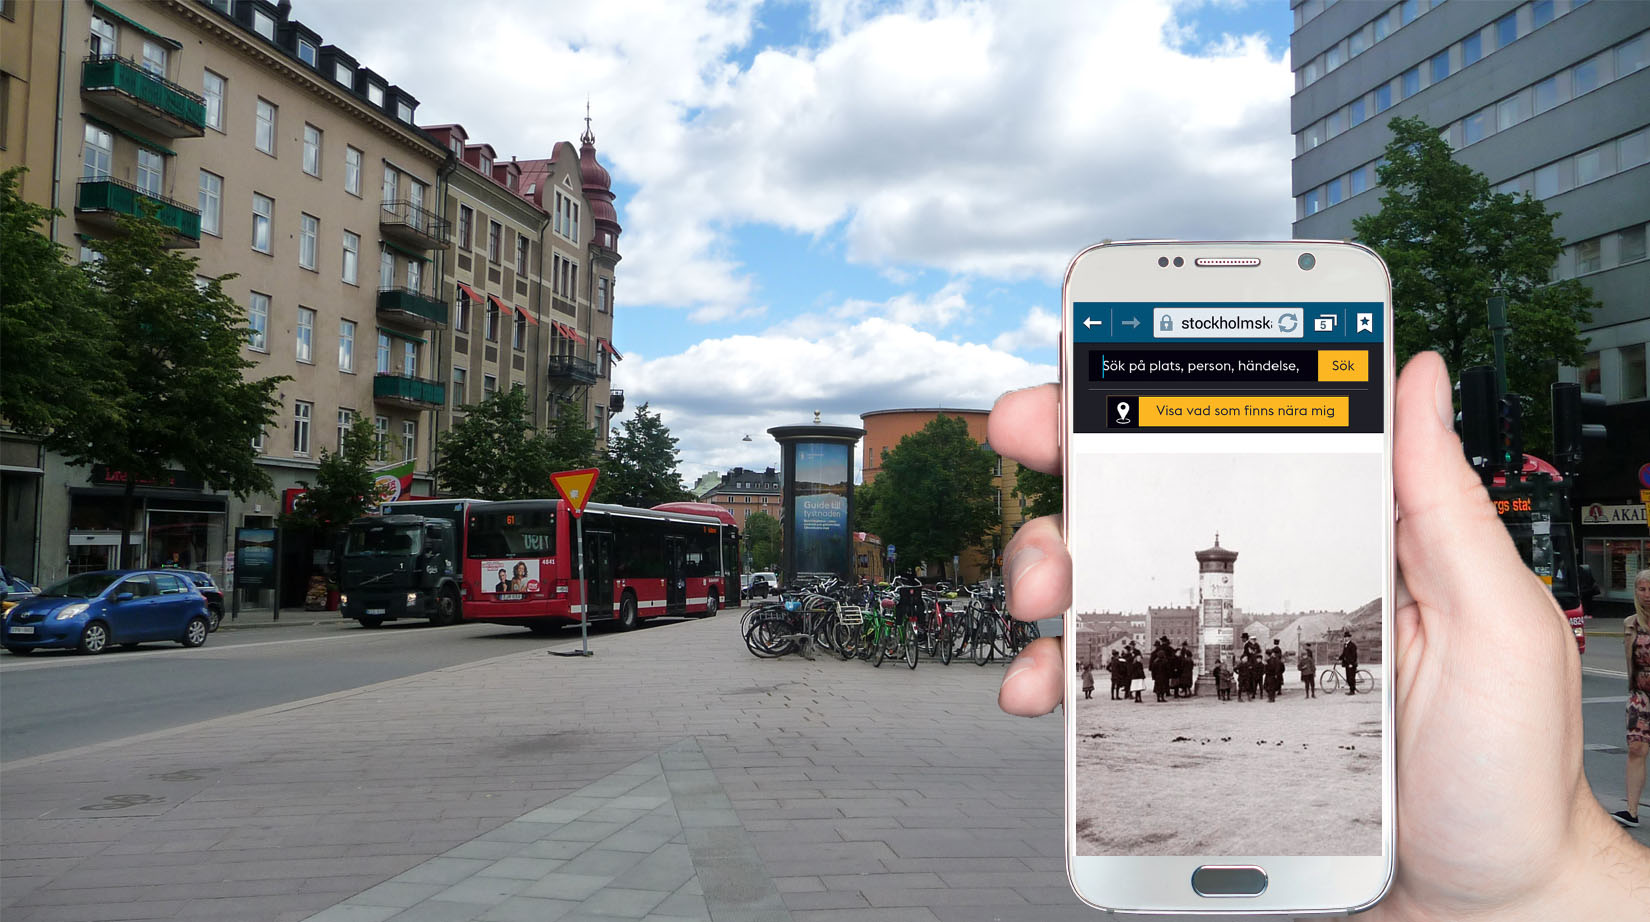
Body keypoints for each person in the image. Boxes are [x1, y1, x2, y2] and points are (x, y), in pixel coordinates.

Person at [987, 353, 1650, 917]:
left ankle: (1230, 694)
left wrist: (1537, 883)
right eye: (1213, 568)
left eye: (1219, 568)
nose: (1216, 573)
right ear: (1207, 573)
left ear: (1224, 572)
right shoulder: (1206, 618)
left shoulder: (1274, 633)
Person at [1616, 568, 1650, 828]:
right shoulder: (1631, 623)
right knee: (1636, 748)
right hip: (1640, 696)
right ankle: (1631, 811)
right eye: (1642, 589)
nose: (1647, 595)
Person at [1340, 629, 1360, 695]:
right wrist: (1339, 658)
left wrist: (1351, 663)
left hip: (1351, 664)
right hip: (1347, 664)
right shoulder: (1345, 645)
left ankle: (1352, 691)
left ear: (1349, 638)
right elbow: (1344, 654)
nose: (1346, 638)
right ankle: (1351, 690)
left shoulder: (1352, 645)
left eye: (1347, 637)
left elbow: (1354, 655)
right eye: (1345, 637)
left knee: (1351, 678)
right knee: (1348, 678)